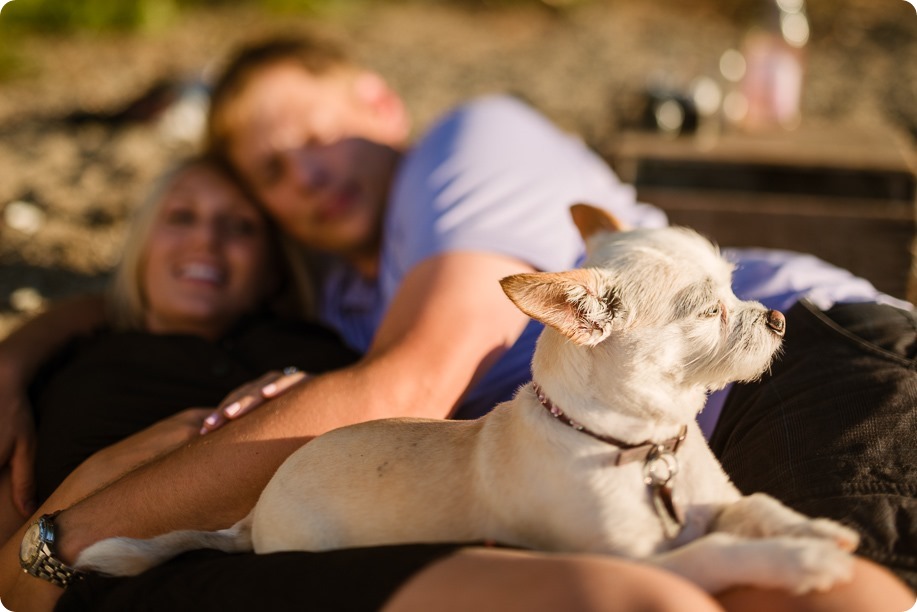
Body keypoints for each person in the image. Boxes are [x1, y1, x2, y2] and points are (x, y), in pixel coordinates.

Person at [0, 34, 913, 611]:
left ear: (380, 103)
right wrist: (22, 349)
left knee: (841, 596)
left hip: (813, 364)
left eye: (312, 137)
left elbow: (404, 385)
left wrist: (59, 541)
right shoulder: (338, 297)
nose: (306, 177)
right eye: (273, 175)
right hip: (641, 461)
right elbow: (139, 296)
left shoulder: (465, 151)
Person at [0, 154, 359, 543]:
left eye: (241, 226)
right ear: (142, 249)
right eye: (182, 216)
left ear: (273, 270)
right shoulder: (61, 363)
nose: (206, 238)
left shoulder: (315, 349)